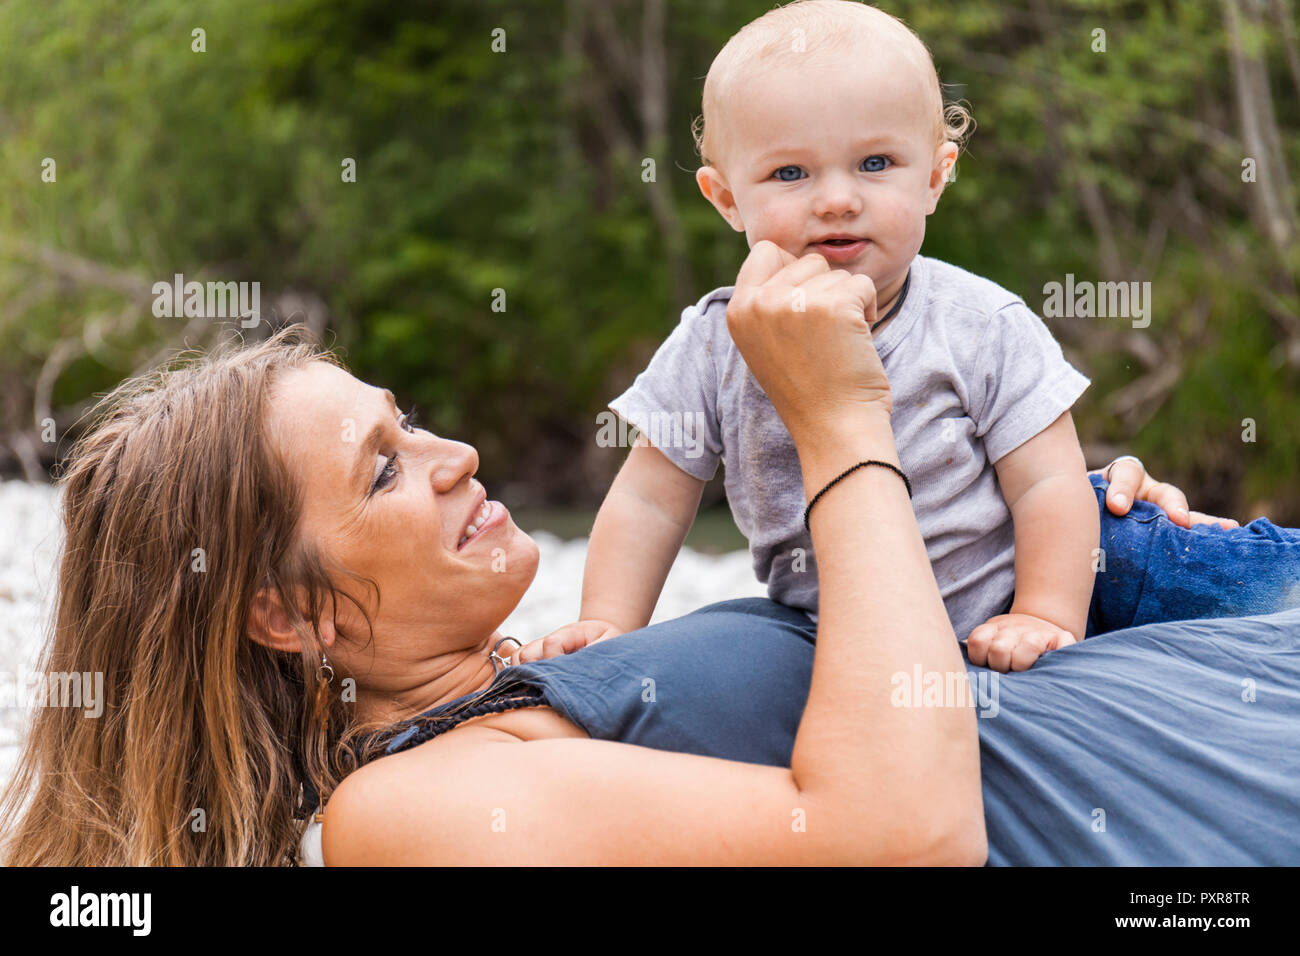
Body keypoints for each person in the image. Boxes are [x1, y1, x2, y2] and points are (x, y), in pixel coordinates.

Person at [3, 248, 1297, 866]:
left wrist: (1072, 549)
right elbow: (901, 836)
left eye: (411, 422)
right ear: (284, 615)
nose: (454, 455)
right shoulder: (404, 812)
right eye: (384, 470)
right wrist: (837, 421)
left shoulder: (557, 668)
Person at [571, 0, 1115, 669]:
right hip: (827, 629)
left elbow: (1049, 485)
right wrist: (604, 625)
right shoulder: (713, 343)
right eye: (790, 173)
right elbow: (649, 501)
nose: (836, 199)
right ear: (726, 199)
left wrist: (1043, 614)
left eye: (876, 163)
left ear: (936, 178)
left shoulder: (980, 326)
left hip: (995, 608)